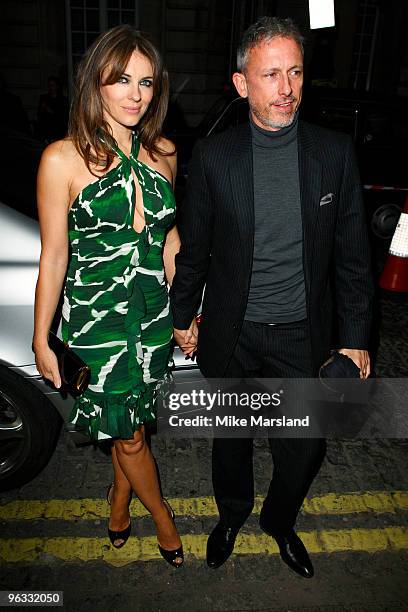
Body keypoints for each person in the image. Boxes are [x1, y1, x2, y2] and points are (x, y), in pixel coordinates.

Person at [170, 16, 373, 577]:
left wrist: (355, 339)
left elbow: (354, 258)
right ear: (242, 85)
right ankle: (231, 515)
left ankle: (279, 522)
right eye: (271, 74)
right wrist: (182, 317)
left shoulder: (333, 153)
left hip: (301, 337)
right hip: (233, 335)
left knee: (303, 448)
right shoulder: (215, 157)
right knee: (231, 440)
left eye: (296, 73)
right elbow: (197, 252)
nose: (287, 88)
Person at [33, 25, 183, 567]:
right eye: (121, 79)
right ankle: (161, 517)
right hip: (97, 327)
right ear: (95, 81)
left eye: (145, 82)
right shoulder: (61, 159)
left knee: (132, 425)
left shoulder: (163, 152)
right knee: (132, 440)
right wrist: (41, 338)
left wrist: (187, 308)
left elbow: (170, 240)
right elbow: (54, 257)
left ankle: (120, 498)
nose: (135, 94)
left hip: (153, 318)